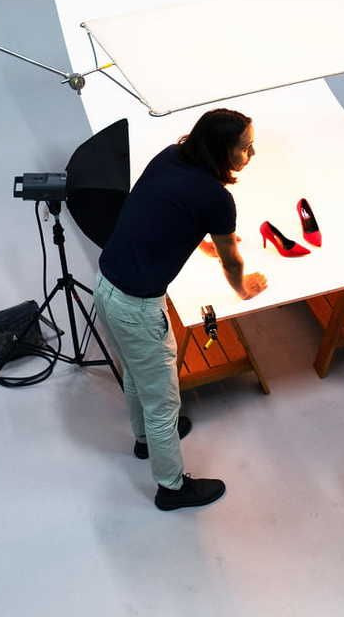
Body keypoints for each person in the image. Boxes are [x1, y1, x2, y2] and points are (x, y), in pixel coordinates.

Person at [95, 108, 268, 511]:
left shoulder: (170, 157)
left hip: (106, 285)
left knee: (138, 374)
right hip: (138, 307)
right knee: (165, 404)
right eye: (246, 148)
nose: (252, 153)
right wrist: (244, 289)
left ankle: (144, 442)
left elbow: (155, 211)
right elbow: (233, 263)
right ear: (222, 151)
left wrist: (201, 240)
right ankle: (171, 488)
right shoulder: (217, 198)